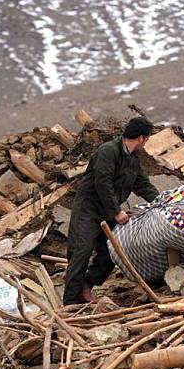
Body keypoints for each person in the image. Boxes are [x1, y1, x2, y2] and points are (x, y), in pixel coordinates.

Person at [63, 117, 159, 305]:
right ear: (141, 138)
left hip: (108, 210)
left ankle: (87, 285)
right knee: (81, 251)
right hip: (89, 208)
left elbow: (143, 185)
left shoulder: (132, 160)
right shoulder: (109, 151)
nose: (145, 143)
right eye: (146, 139)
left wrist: (164, 200)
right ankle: (70, 302)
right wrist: (116, 212)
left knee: (113, 250)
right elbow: (102, 182)